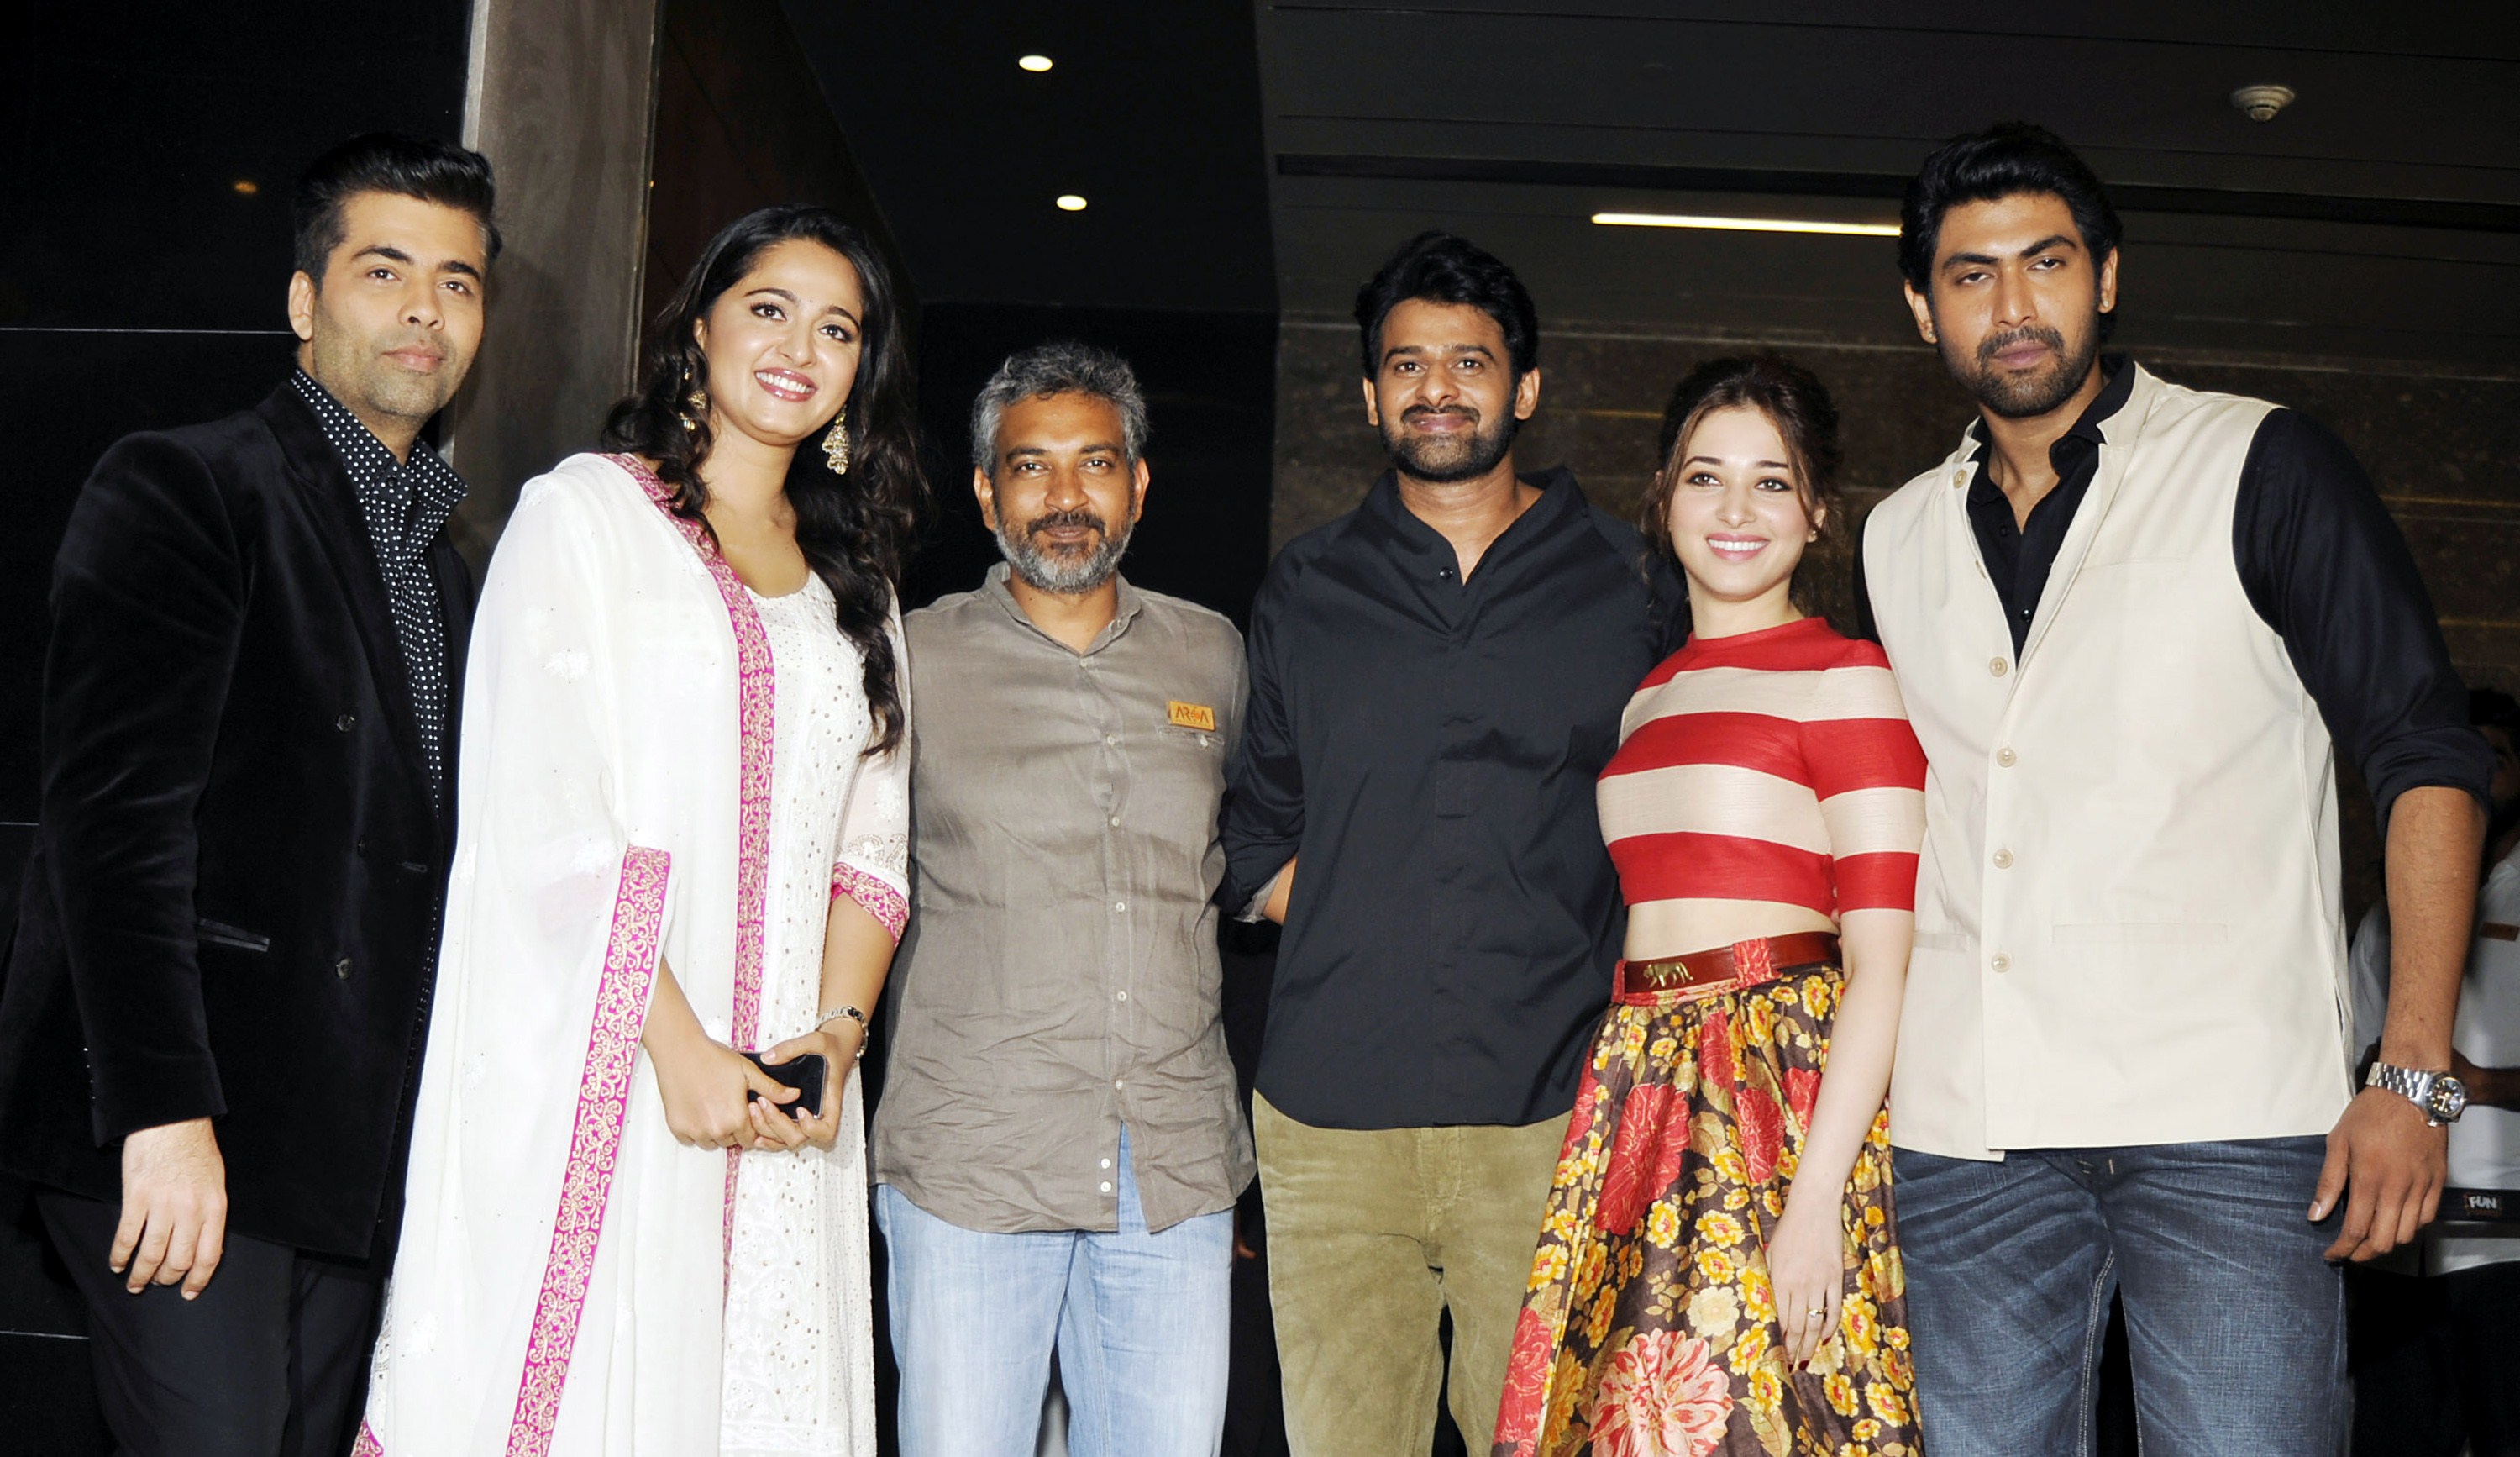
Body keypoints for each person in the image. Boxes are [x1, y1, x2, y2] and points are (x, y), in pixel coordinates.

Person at [1858, 122, 2494, 1455]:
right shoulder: (1895, 530)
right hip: (1969, 1133)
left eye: (2046, 263)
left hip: (2233, 1124)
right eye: (1972, 275)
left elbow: (2424, 753)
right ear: (1922, 305)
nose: (2014, 305)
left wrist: (2416, 1069)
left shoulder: (2263, 464)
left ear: (2107, 276)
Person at [354, 204, 921, 1455]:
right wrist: (677, 1048)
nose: (798, 348)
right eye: (769, 309)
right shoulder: (589, 519)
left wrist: (831, 1041)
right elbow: (537, 813)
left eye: (838, 330)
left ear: (858, 377)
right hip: (617, 1064)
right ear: (700, 329)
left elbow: (872, 851)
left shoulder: (862, 590)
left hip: (792, 1105)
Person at [0, 132, 496, 1457]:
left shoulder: (454, 571)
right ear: (302, 301)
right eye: (384, 270)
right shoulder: (190, 483)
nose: (422, 310)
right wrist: (158, 1118)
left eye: (457, 282)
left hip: (345, 1155)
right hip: (187, 1114)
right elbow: (111, 831)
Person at [1220, 232, 1685, 1457]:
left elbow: (1683, 829)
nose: (1438, 387)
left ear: (1524, 389)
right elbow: (1258, 840)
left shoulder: (1630, 584)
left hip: (1551, 1116)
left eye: (1469, 361)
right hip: (1328, 1128)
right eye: (1407, 363)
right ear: (1371, 392)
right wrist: (1380, 914)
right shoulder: (1308, 587)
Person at [1494, 358, 1924, 1457]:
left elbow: (1885, 958)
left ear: (1818, 509)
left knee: (1765, 1420)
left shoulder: (1848, 677)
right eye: (1706, 476)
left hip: (1776, 1076)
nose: (1736, 511)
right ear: (1663, 495)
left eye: (1772, 483)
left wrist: (1818, 1194)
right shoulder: (1651, 695)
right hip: (1638, 1073)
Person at [870, 343, 1251, 1457]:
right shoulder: (909, 656)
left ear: (1139, 482)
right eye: (1030, 468)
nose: (1065, 498)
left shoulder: (1212, 654)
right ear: (987, 490)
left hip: (1170, 1163)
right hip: (973, 1155)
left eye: (1096, 463)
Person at [2344, 687, 2520, 1456]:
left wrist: (2475, 1085)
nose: (2480, 775)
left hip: (2507, 1246)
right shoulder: (2389, 912)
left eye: (2500, 758)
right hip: (2397, 1238)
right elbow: (2355, 1049)